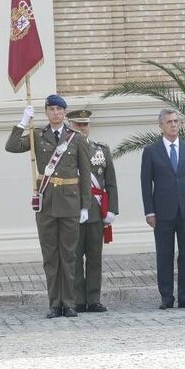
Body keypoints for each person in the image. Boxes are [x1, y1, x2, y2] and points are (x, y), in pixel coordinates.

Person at [4, 94, 92, 318]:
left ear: (64, 113)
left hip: (71, 204)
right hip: (46, 203)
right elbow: (11, 146)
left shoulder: (76, 138)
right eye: (51, 109)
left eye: (59, 109)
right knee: (51, 257)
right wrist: (23, 122)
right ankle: (55, 303)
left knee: (69, 255)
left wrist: (85, 206)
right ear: (46, 112)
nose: (55, 113)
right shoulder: (36, 135)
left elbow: (85, 173)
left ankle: (70, 303)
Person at [140, 107, 185, 310]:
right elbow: (145, 183)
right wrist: (149, 211)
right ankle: (166, 297)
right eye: (169, 122)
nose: (173, 125)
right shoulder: (151, 151)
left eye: (176, 121)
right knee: (164, 254)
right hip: (162, 212)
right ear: (161, 125)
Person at [66, 108, 117, 313]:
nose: (83, 128)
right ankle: (78, 299)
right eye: (79, 124)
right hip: (73, 211)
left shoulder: (101, 150)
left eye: (86, 124)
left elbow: (110, 183)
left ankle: (94, 299)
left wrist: (112, 209)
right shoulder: (64, 150)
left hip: (96, 211)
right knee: (75, 258)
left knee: (95, 257)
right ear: (71, 125)